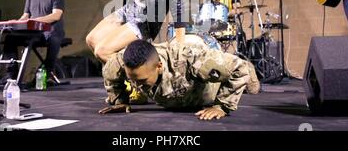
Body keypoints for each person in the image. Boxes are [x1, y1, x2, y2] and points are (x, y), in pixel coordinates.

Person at [99, 39, 259, 120]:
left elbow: (239, 69)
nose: (135, 85)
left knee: (252, 87)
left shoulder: (192, 61)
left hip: (205, 82)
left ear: (159, 66)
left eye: (141, 80)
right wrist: (120, 101)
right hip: (177, 86)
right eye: (132, 79)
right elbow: (110, 73)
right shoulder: (121, 62)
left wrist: (222, 106)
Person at [4, 0, 65, 84]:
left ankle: (48, 73)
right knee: (10, 38)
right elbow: (26, 15)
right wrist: (17, 22)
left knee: (54, 38)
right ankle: (12, 76)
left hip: (51, 31)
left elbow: (56, 16)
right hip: (34, 32)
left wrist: (35, 20)